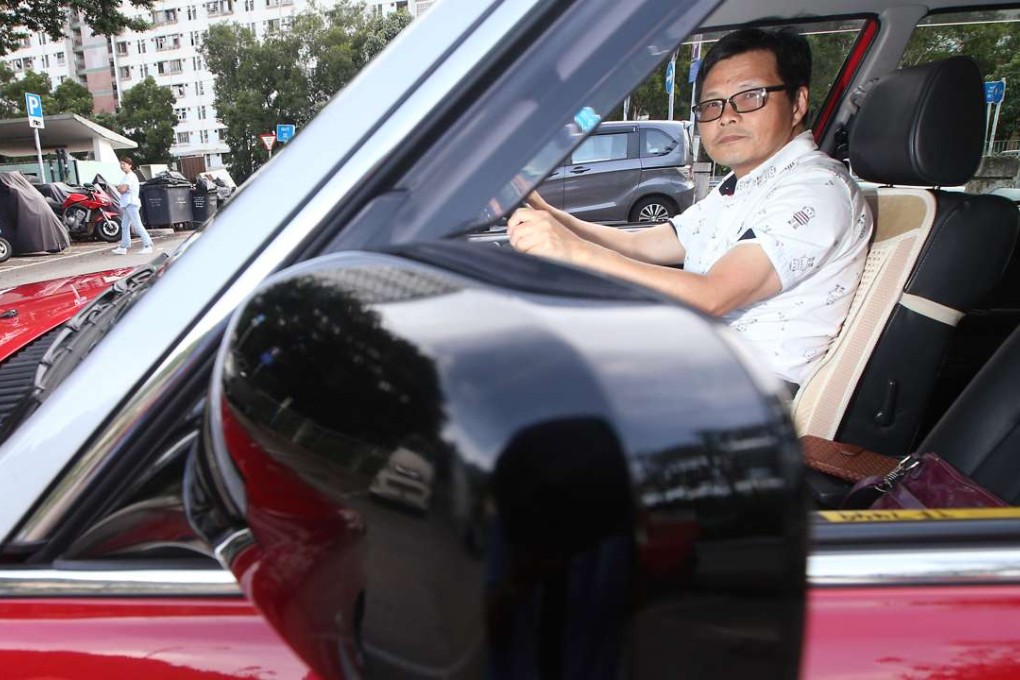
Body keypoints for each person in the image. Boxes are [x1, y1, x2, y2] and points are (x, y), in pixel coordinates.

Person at [507, 27, 872, 393]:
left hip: (746, 390)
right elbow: (638, 246)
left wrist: (573, 251)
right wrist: (546, 212)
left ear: (797, 104)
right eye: (713, 105)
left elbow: (713, 295)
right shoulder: (743, 185)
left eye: (750, 97)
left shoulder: (816, 189)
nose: (726, 116)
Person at [111, 155, 153, 255]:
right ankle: (123, 247)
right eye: (121, 164)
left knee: (137, 225)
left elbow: (122, 189)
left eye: (124, 164)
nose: (122, 166)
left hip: (131, 203)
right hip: (127, 204)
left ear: (130, 165)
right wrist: (121, 188)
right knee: (124, 225)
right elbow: (121, 189)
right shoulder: (126, 176)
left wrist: (120, 188)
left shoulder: (130, 176)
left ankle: (148, 245)